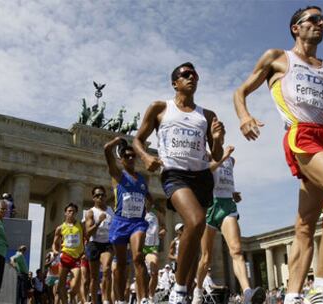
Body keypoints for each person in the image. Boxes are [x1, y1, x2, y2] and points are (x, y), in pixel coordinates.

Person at [233, 5, 323, 304]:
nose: (321, 23)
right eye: (313, 19)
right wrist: (244, 116)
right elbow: (240, 91)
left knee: (305, 224)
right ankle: (321, 287)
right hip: (302, 134)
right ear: (296, 27)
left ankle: (293, 295)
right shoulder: (278, 58)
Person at [133, 62, 225, 304]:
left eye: (195, 75)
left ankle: (184, 291)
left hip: (202, 178)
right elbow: (137, 140)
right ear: (175, 82)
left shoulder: (207, 115)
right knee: (195, 222)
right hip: (175, 175)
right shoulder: (160, 108)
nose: (191, 77)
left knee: (194, 238)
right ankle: (180, 289)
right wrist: (145, 156)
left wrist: (217, 139)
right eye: (186, 74)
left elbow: (216, 155)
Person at [193, 145, 265, 304]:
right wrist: (224, 156)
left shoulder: (231, 160)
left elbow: (223, 178)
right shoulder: (203, 154)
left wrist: (233, 193)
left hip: (227, 205)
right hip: (209, 205)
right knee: (206, 257)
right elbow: (208, 172)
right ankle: (197, 290)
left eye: (221, 134)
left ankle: (247, 292)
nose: (219, 138)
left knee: (237, 250)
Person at [104, 137, 151, 304]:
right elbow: (106, 150)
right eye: (127, 156)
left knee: (138, 256)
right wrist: (115, 141)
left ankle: (144, 298)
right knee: (122, 264)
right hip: (120, 222)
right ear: (121, 159)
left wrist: (149, 206)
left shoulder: (143, 179)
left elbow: (148, 196)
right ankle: (120, 300)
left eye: (133, 156)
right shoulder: (118, 175)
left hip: (137, 223)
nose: (131, 158)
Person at [85, 185, 114, 304]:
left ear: (106, 196)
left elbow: (116, 227)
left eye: (102, 194)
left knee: (107, 269)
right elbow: (88, 233)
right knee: (94, 277)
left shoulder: (111, 210)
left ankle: (106, 299)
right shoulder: (90, 212)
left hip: (107, 244)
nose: (100, 197)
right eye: (97, 195)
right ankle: (94, 301)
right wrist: (99, 221)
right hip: (94, 244)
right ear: (93, 198)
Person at [52, 203, 84, 304]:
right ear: (65, 213)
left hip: (77, 258)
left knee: (75, 286)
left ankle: (71, 296)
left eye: (73, 211)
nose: (71, 213)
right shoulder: (60, 228)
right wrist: (55, 251)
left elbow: (87, 237)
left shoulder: (81, 225)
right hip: (65, 257)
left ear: (76, 213)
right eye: (69, 211)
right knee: (61, 286)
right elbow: (54, 243)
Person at [143, 202, 167, 303]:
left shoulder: (155, 214)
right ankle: (142, 298)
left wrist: (163, 231)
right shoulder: (136, 214)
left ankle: (151, 297)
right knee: (141, 274)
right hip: (139, 247)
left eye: (148, 201)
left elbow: (164, 227)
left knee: (154, 272)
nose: (146, 203)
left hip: (151, 247)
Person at [0, 200, 8, 298]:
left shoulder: (1, 222)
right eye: (2, 209)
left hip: (1, 255)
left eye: (6, 209)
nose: (4, 211)